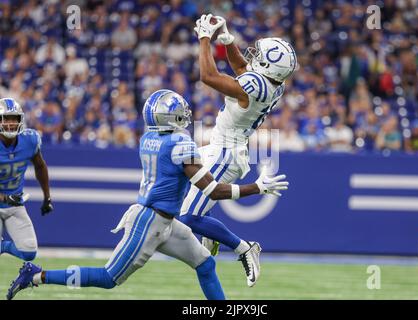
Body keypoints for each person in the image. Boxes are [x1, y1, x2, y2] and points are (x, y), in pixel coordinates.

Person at [7, 89, 289, 300]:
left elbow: (183, 168)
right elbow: (213, 189)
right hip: (150, 223)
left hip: (165, 222)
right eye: (179, 110)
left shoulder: (150, 138)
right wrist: (258, 187)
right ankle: (37, 275)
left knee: (205, 263)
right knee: (108, 278)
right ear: (170, 116)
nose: (185, 114)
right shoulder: (180, 143)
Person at [178, 14, 297, 287]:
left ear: (270, 66)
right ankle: (213, 235)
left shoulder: (256, 86)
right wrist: (226, 37)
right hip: (223, 146)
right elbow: (243, 67)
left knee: (189, 217)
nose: (254, 55)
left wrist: (204, 38)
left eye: (262, 55)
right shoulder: (272, 84)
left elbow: (208, 76)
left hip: (226, 153)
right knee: (183, 179)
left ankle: (244, 247)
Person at [0, 98, 53, 262]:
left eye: (13, 119)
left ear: (20, 120)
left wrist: (47, 197)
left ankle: (3, 247)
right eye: (5, 119)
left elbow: (40, 166)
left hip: (14, 205)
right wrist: (4, 198)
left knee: (29, 251)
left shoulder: (29, 140)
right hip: (8, 200)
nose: (10, 124)